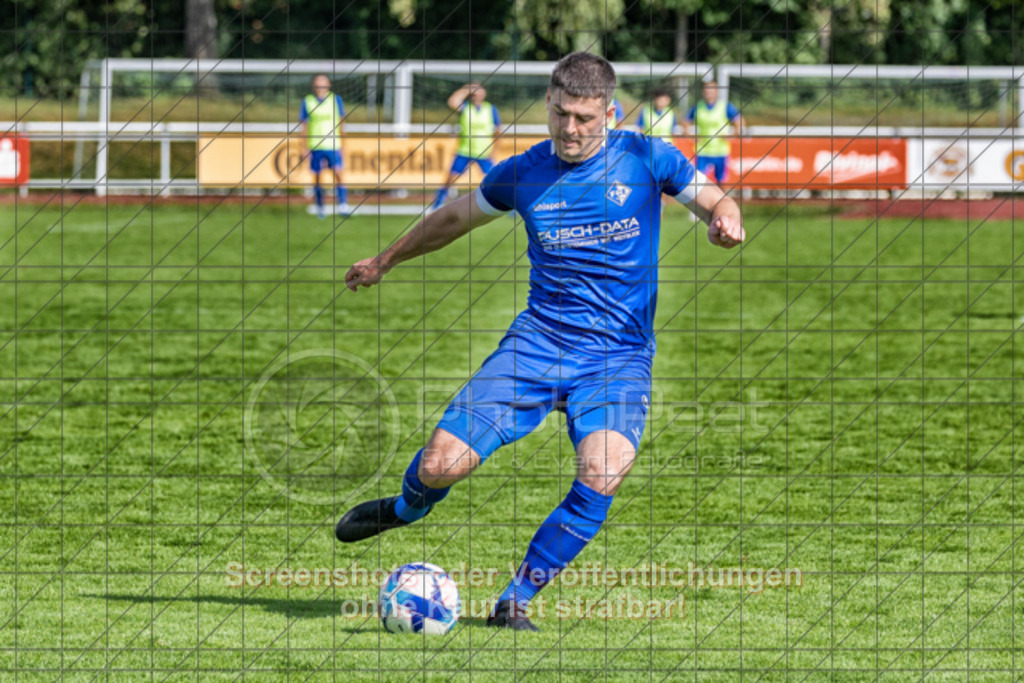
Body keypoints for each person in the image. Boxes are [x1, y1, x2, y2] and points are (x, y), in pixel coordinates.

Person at [336, 52, 745, 631]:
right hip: (538, 344)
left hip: (618, 356)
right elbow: (452, 219)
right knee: (441, 464)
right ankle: (406, 507)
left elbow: (715, 198)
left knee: (603, 472)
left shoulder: (647, 157)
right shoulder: (523, 173)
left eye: (583, 118)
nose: (569, 129)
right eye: (560, 114)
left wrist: (726, 220)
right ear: (549, 104)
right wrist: (385, 260)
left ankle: (514, 600)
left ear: (609, 113)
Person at [431, 83, 501, 210]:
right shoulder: (466, 108)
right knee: (450, 179)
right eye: (474, 93)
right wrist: (467, 89)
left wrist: (494, 150)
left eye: (479, 91)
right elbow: (452, 101)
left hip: (484, 152)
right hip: (464, 150)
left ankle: (510, 208)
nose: (476, 95)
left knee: (495, 180)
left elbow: (498, 132)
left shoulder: (490, 109)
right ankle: (437, 204)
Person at [299, 74, 351, 218]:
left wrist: (344, 144)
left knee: (339, 173)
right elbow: (304, 126)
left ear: (328, 85)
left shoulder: (335, 100)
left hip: (333, 144)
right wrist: (304, 147)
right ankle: (320, 206)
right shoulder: (308, 101)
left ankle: (343, 206)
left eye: (323, 84)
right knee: (317, 177)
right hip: (315, 145)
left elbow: (342, 123)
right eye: (318, 84)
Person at [684, 80, 745, 183]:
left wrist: (734, 134)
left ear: (716, 91)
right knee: (698, 181)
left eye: (711, 89)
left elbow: (740, 121)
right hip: (702, 150)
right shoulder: (698, 106)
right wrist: (690, 136)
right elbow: (686, 121)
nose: (709, 92)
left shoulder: (725, 106)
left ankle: (721, 194)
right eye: (706, 89)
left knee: (721, 182)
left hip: (720, 150)